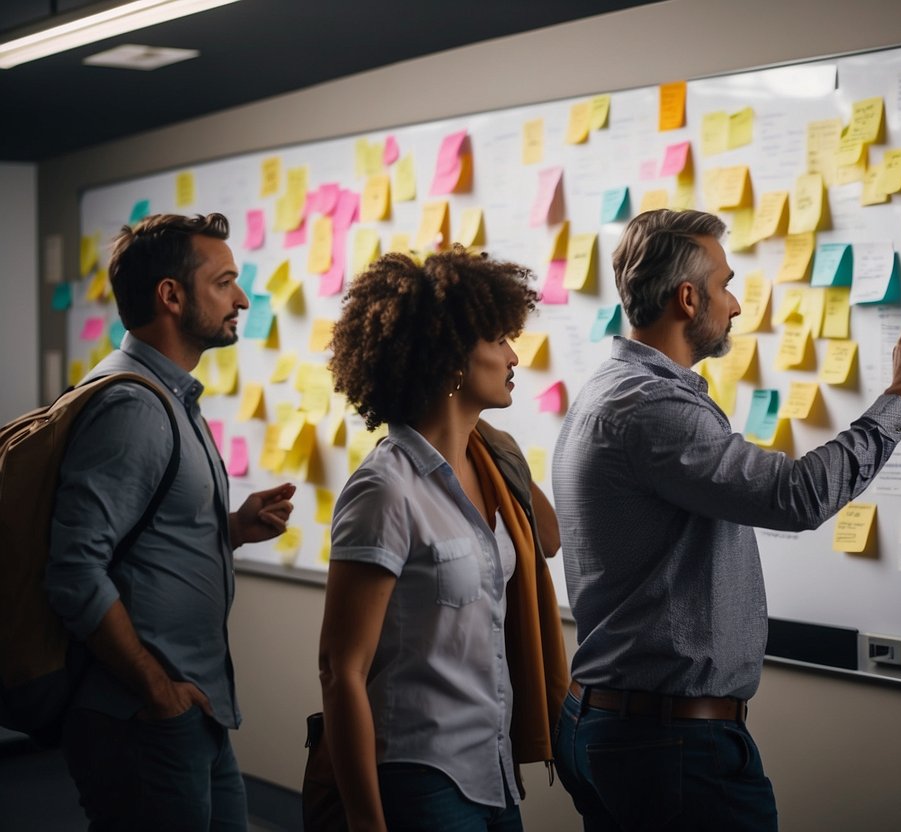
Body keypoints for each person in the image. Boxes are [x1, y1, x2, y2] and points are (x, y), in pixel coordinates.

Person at [550, 209, 901, 831]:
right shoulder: (651, 406)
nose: (735, 305)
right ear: (688, 299)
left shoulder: (613, 390)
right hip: (670, 747)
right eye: (725, 285)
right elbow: (796, 496)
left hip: (626, 728)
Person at [46, 212, 297, 831]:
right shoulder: (134, 406)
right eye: (225, 282)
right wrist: (158, 693)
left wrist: (230, 528)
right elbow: (74, 570)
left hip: (189, 711)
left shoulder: (170, 399)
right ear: (171, 295)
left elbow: (139, 541)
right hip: (145, 716)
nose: (241, 298)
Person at [318, 248, 569, 832]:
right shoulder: (385, 490)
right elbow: (340, 670)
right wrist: (365, 823)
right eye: (499, 340)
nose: (513, 356)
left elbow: (549, 540)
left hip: (494, 766)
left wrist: (492, 444)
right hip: (421, 771)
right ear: (454, 358)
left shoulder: (488, 462)